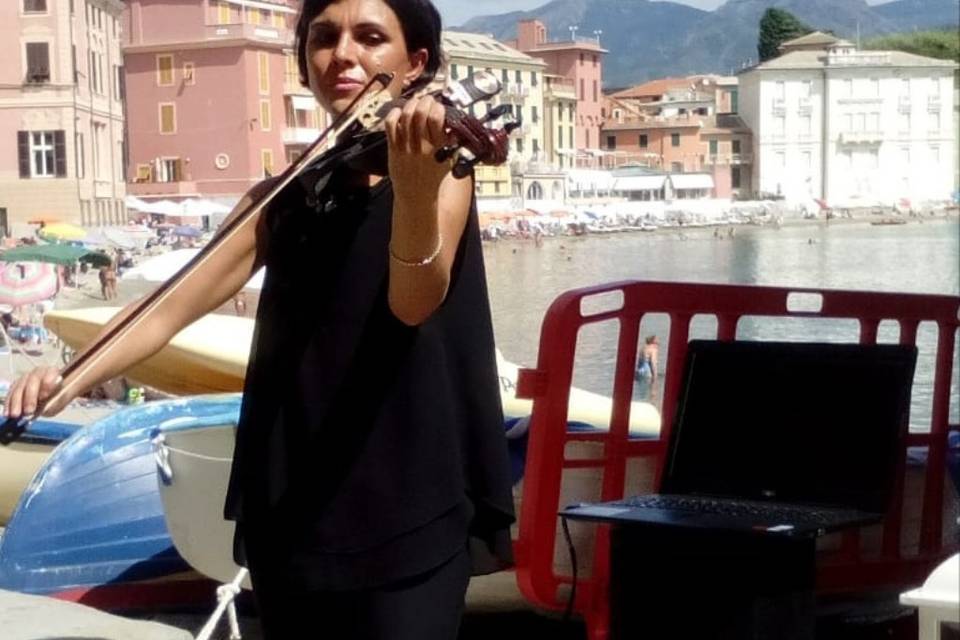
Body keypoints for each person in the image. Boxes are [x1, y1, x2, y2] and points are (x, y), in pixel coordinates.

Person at [4, 1, 514, 638]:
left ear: (414, 64)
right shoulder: (284, 194)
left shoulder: (443, 172)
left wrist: (411, 189)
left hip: (405, 497)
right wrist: (68, 378)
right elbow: (170, 305)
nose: (343, 55)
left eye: (370, 37)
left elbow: (416, 299)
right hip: (293, 500)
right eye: (323, 38)